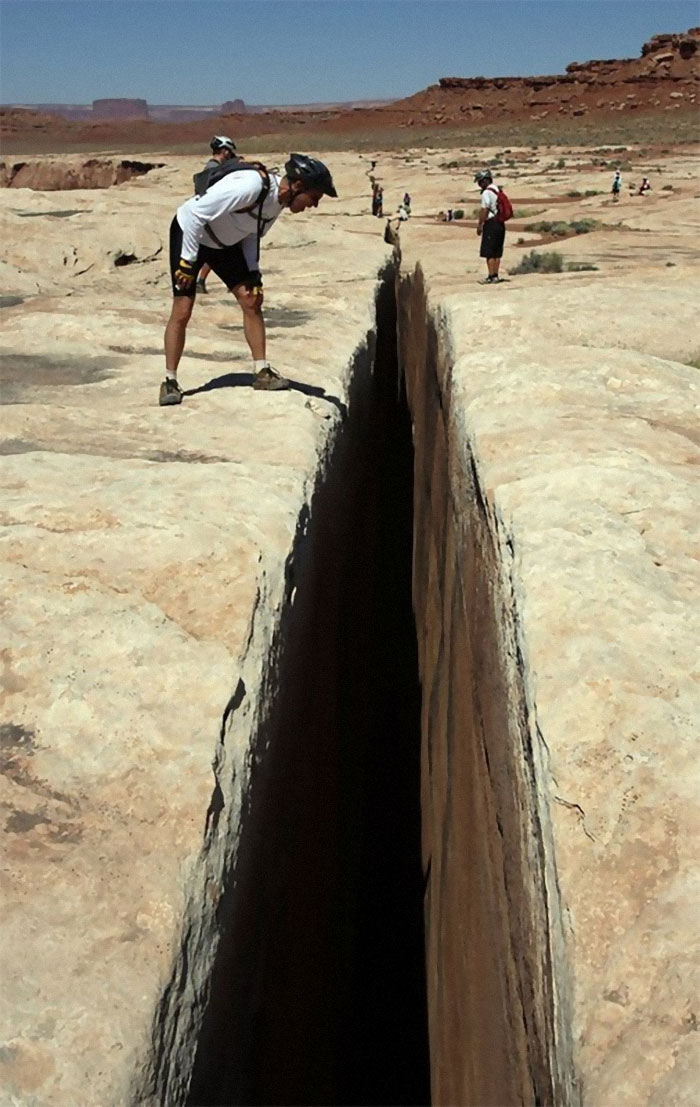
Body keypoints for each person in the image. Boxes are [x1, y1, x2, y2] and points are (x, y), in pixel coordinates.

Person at [159, 153, 337, 405]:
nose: (314, 205)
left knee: (251, 300)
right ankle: (170, 381)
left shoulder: (277, 202)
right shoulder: (251, 186)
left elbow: (251, 232)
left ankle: (262, 372)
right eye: (314, 197)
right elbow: (197, 214)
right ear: (298, 186)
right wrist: (188, 263)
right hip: (192, 234)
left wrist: (253, 272)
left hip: (224, 244)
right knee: (183, 308)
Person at [193, 136, 237, 294]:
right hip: (214, 215)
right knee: (221, 248)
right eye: (229, 152)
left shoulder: (213, 167)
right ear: (224, 151)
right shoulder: (214, 168)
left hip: (213, 214)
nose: (230, 155)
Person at [475, 169, 505, 283]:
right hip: (500, 223)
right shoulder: (497, 189)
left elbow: (484, 210)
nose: (479, 184)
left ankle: (491, 276)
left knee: (489, 251)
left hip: (491, 223)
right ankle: (496, 275)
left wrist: (480, 224)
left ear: (485, 181)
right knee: (497, 251)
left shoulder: (486, 193)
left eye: (480, 182)